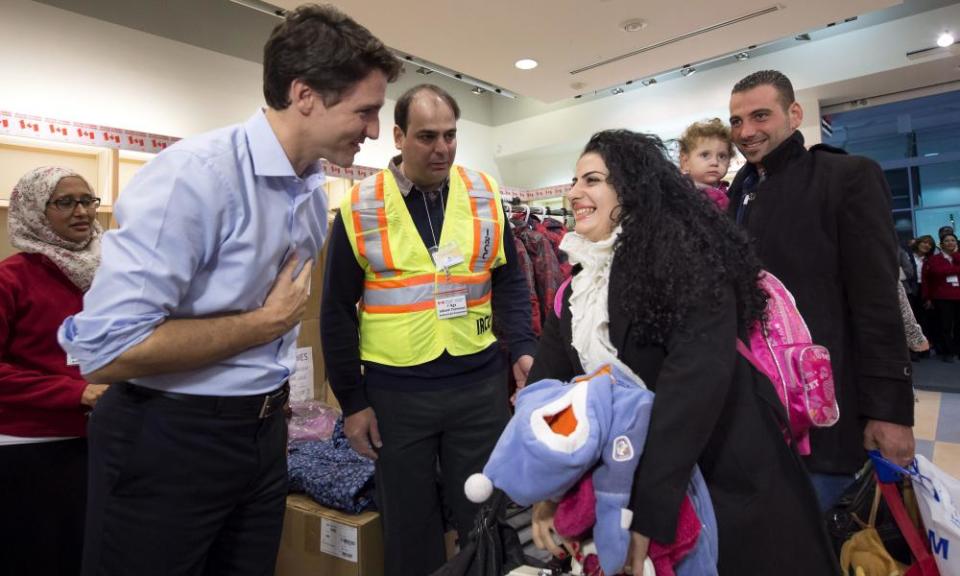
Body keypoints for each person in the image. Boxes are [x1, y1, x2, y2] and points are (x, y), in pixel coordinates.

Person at [57, 6, 401, 576]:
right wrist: (261, 326)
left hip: (264, 434)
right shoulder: (192, 178)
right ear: (305, 94)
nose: (371, 130)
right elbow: (103, 353)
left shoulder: (313, 192)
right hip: (168, 436)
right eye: (365, 111)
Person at [528, 129, 838, 575]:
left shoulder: (688, 266)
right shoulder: (575, 290)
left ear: (632, 189)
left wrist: (651, 511)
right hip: (631, 490)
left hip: (730, 484)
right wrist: (548, 487)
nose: (575, 193)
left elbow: (691, 392)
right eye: (574, 181)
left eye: (591, 180)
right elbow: (550, 394)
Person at [320, 83, 537, 576]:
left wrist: (523, 345)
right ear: (398, 136)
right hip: (397, 395)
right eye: (426, 137)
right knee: (410, 525)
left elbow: (508, 279)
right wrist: (353, 402)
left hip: (479, 385)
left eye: (450, 135)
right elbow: (335, 310)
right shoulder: (361, 205)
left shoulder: (484, 193)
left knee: (486, 514)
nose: (441, 148)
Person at [727, 70, 914, 510]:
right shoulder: (736, 196)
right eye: (736, 121)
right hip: (756, 421)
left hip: (829, 417)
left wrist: (889, 411)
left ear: (794, 115)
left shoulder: (845, 177)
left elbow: (877, 303)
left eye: (759, 116)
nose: (746, 131)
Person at [0, 167, 108, 576]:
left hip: (101, 439)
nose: (82, 211)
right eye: (65, 202)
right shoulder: (10, 279)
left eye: (87, 200)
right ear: (33, 209)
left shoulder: (111, 274)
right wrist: (76, 393)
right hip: (30, 448)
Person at [678, 118, 734, 210]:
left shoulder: (729, 190)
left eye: (722, 156)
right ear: (685, 161)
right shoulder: (684, 196)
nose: (715, 162)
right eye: (705, 155)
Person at [922, 233, 960, 363]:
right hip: (942, 296)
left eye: (953, 240)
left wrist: (955, 255)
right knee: (945, 326)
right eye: (947, 241)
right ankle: (948, 352)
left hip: (958, 295)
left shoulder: (958, 256)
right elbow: (938, 272)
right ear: (941, 244)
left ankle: (957, 350)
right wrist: (927, 297)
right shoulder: (934, 259)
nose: (950, 243)